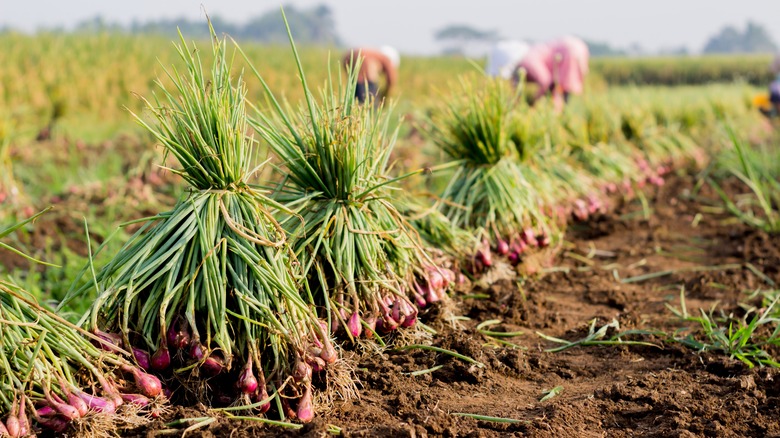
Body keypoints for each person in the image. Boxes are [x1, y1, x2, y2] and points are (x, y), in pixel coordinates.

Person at [514, 36, 589, 112]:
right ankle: (563, 113)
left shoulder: (528, 60)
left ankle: (560, 112)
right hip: (578, 47)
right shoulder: (534, 51)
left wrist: (533, 102)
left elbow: (547, 82)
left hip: (568, 51)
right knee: (565, 86)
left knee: (560, 86)